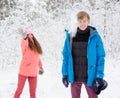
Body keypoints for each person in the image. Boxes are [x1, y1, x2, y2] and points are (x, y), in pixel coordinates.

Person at [61, 11, 107, 98]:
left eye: (84, 21)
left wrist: (99, 76)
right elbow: (66, 57)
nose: (82, 24)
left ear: (88, 21)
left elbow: (101, 57)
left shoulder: (95, 36)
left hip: (90, 76)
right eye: (80, 21)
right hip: (74, 76)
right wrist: (65, 74)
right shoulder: (71, 36)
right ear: (77, 22)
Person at [14, 27, 44, 98]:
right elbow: (24, 45)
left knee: (33, 92)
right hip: (24, 71)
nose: (30, 35)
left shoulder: (36, 45)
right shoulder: (25, 44)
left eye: (31, 34)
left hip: (33, 72)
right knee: (19, 90)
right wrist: (24, 38)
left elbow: (37, 58)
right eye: (28, 34)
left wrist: (40, 67)